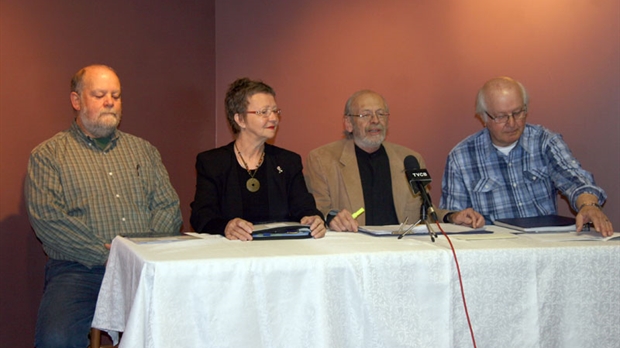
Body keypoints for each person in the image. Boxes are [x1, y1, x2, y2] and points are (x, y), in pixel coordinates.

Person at [25, 65, 183, 347]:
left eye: (116, 95)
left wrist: (138, 251)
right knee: (56, 339)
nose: (110, 101)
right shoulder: (48, 155)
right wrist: (105, 253)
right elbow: (48, 220)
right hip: (79, 271)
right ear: (76, 101)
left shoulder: (143, 151)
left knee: (187, 327)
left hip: (144, 268)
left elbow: (168, 206)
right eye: (99, 94)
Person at [440, 76, 613, 236]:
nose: (512, 123)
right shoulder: (461, 157)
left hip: (546, 243)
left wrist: (589, 205)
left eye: (518, 113)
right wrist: (460, 218)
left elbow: (575, 180)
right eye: (501, 117)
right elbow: (453, 219)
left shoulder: (544, 142)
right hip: (496, 249)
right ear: (484, 118)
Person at [305, 90, 484, 232]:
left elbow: (426, 212)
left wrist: (453, 217)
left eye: (381, 114)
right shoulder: (323, 160)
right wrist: (332, 218)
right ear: (349, 123)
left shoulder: (409, 159)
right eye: (365, 115)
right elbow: (318, 210)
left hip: (402, 250)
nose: (375, 121)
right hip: (353, 251)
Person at [190, 78, 325, 240]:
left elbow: (305, 208)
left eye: (275, 111)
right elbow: (202, 216)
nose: (274, 118)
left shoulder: (288, 161)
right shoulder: (213, 163)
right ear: (239, 119)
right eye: (264, 112)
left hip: (279, 252)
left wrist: (313, 219)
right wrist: (226, 227)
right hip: (231, 255)